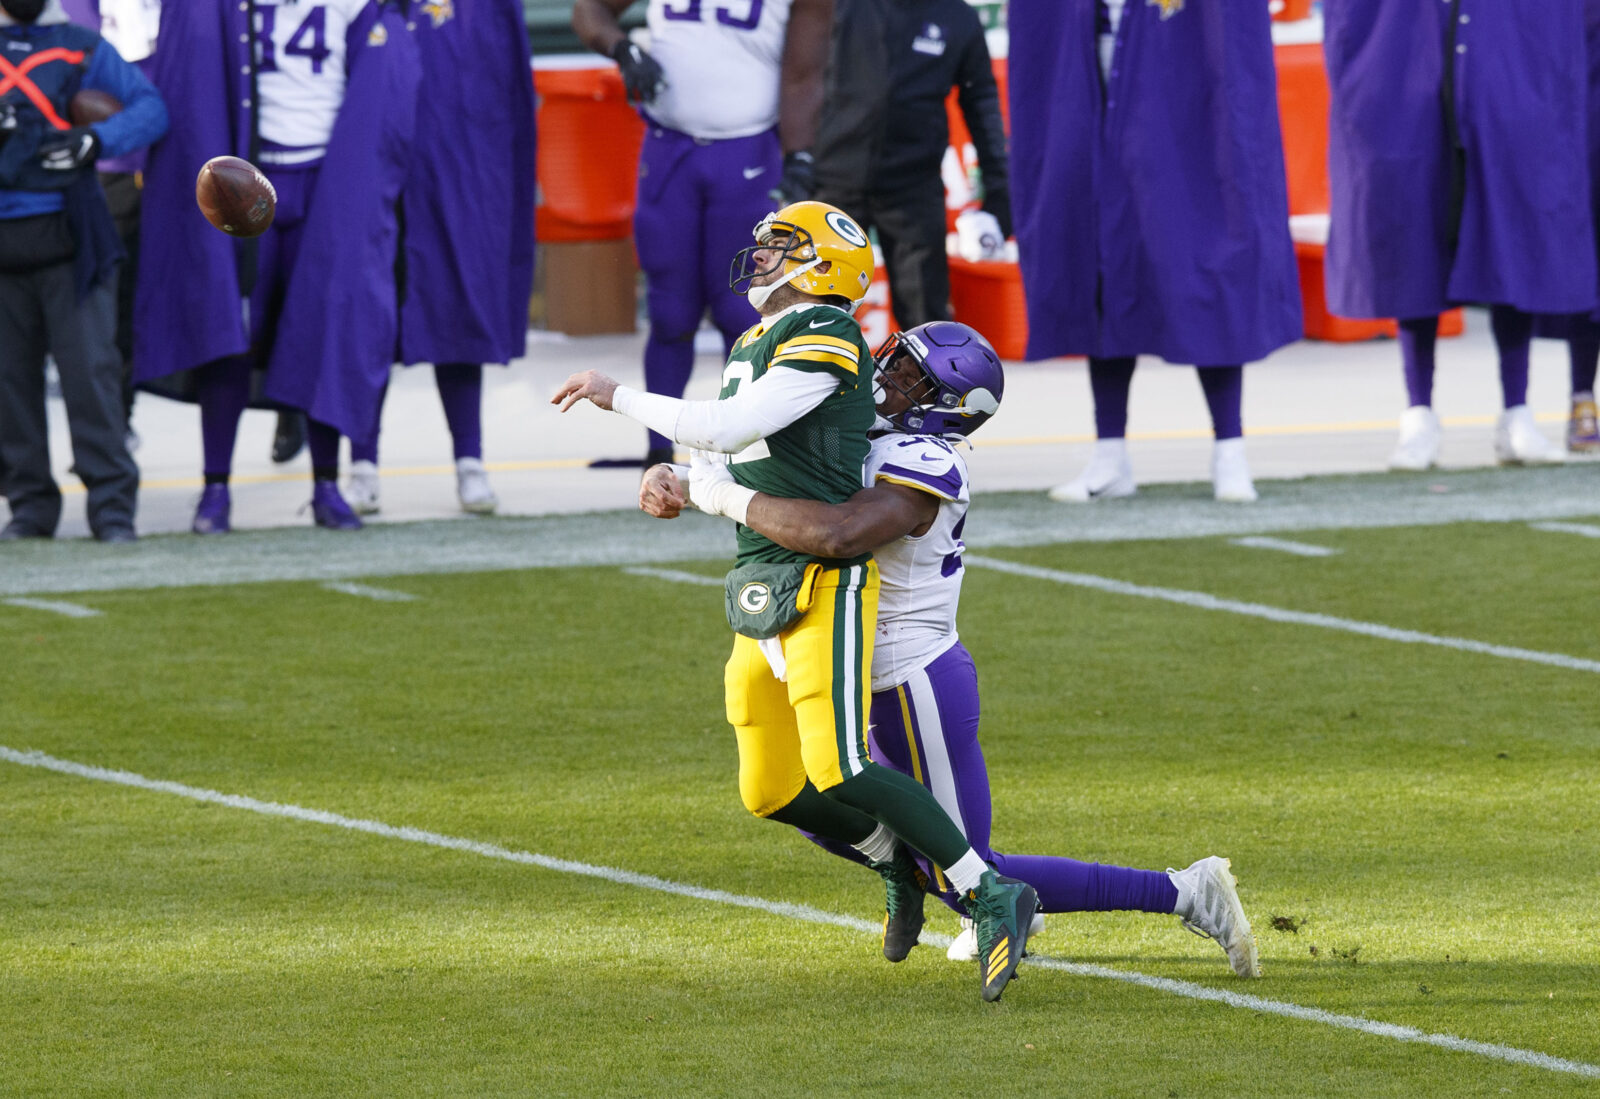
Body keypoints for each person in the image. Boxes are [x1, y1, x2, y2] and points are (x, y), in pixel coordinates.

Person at [647, 319, 1261, 979]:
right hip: (845, 665)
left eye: (912, 378)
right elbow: (762, 449)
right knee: (817, 809)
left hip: (911, 679)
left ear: (951, 408)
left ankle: (1186, 891)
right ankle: (940, 887)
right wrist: (678, 472)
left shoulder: (925, 460)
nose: (887, 378)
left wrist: (719, 495)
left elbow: (839, 532)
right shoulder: (860, 427)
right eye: (892, 360)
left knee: (971, 870)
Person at [554, 200, 1040, 1003]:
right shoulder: (760, 338)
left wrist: (620, 398)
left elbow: (743, 426)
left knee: (841, 763)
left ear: (822, 265)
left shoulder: (829, 333)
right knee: (770, 787)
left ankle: (990, 890)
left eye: (783, 246)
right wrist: (676, 473)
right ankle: (897, 864)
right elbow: (719, 438)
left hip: (831, 586)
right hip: (763, 572)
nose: (764, 257)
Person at [132, 0, 420, 533]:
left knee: (322, 330)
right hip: (250, 173)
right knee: (231, 333)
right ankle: (215, 486)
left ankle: (325, 485)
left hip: (324, 177)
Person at [1010, 0, 1301, 505]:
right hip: (1090, 78)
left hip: (1173, 97)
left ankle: (1229, 449)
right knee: (1103, 267)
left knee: (1206, 266)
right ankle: (1109, 453)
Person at [1324, 0, 1594, 469]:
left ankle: (1516, 408)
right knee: (1415, 232)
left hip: (1508, 61)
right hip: (1411, 60)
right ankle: (1419, 410)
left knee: (1511, 230)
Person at [572, 0, 832, 469]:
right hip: (670, 149)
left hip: (748, 150)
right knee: (670, 311)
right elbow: (590, 10)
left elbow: (804, 71)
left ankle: (755, 449)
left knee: (744, 309)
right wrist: (622, 48)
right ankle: (658, 452)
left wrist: (800, 154)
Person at [344, 0, 536, 518]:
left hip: (457, 172)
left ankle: (470, 460)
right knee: (373, 319)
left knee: (459, 315)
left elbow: (514, 95)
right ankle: (361, 462)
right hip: (381, 173)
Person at [0, 0, 166, 542]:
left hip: (74, 238)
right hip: (5, 240)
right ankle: (30, 506)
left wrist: (97, 140)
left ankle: (112, 505)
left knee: (91, 375)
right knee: (9, 384)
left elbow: (150, 109)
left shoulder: (80, 42)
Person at [812, 0, 1010, 331]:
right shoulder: (840, 6)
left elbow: (981, 102)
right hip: (833, 180)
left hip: (913, 188)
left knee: (926, 322)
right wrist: (795, 159)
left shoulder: (956, 16)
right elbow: (796, 76)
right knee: (814, 316)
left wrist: (1000, 193)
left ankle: (925, 384)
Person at [58, 0, 159, 452]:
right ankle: (116, 416)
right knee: (106, 303)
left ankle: (277, 400)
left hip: (174, 161)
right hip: (98, 169)